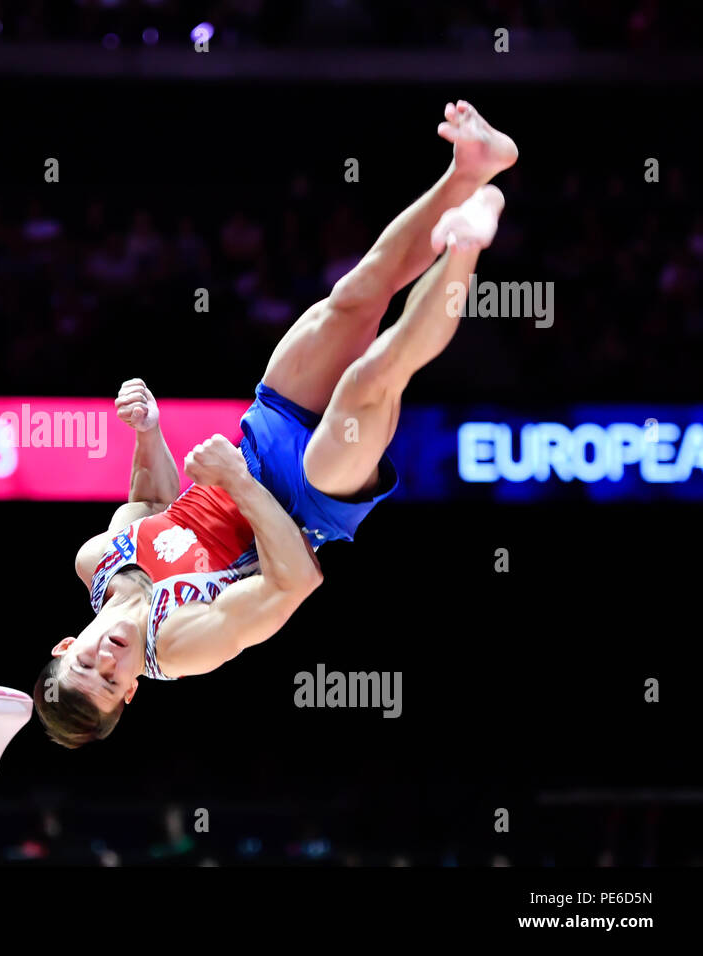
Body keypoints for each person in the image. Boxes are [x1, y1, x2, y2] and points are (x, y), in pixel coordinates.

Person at [34, 101, 518, 748]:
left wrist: (148, 432)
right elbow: (296, 582)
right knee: (373, 376)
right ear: (130, 691)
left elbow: (150, 504)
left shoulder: (97, 561)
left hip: (263, 438)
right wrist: (238, 482)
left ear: (69, 644)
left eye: (85, 662)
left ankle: (470, 168)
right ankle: (463, 247)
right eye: (109, 677)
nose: (106, 659)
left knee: (355, 297)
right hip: (307, 498)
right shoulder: (181, 647)